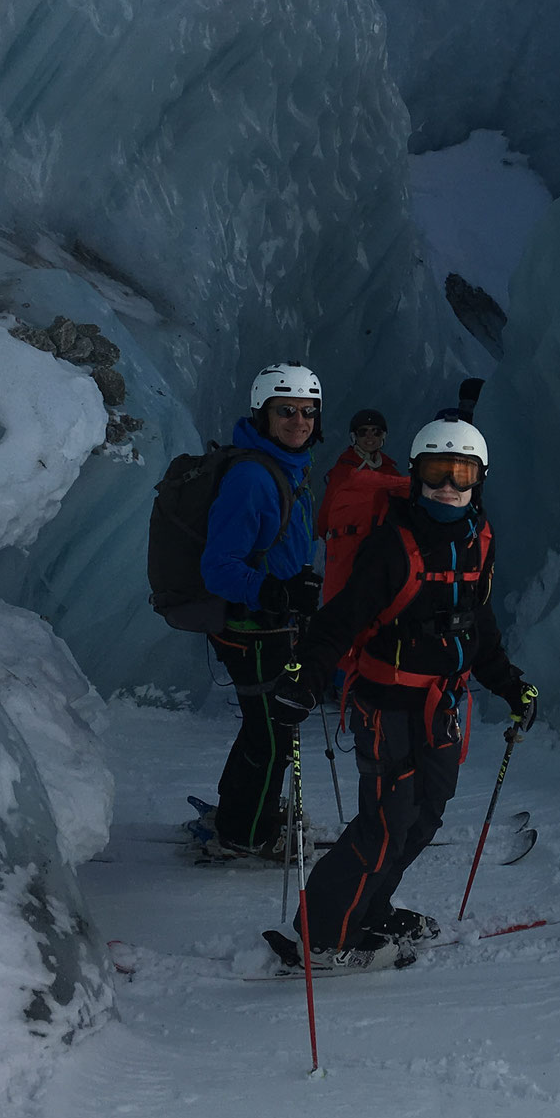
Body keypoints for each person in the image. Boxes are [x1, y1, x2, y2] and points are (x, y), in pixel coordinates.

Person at [269, 408, 539, 971]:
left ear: (479, 479)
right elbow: (340, 620)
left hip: (441, 706)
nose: (447, 486)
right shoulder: (392, 545)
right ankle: (322, 934)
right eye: (437, 471)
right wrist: (304, 676)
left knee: (423, 818)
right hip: (388, 705)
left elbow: (478, 626)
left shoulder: (478, 543)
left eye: (460, 474)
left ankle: (368, 908)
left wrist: (511, 686)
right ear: (415, 474)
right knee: (386, 823)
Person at [199, 363, 325, 860]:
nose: (299, 421)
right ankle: (246, 832)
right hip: (254, 629)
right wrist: (277, 593)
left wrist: (295, 591)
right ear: (263, 414)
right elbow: (219, 566)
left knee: (262, 725)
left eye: (308, 412)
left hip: (272, 624)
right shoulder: (253, 477)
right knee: (274, 733)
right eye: (286, 411)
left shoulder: (289, 468)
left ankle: (238, 811)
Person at [314, 408, 411, 607]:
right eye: (363, 431)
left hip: (376, 548)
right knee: (340, 603)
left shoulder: (388, 470)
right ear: (354, 436)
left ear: (383, 436)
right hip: (343, 548)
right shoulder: (345, 469)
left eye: (375, 432)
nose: (369, 437)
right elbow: (358, 482)